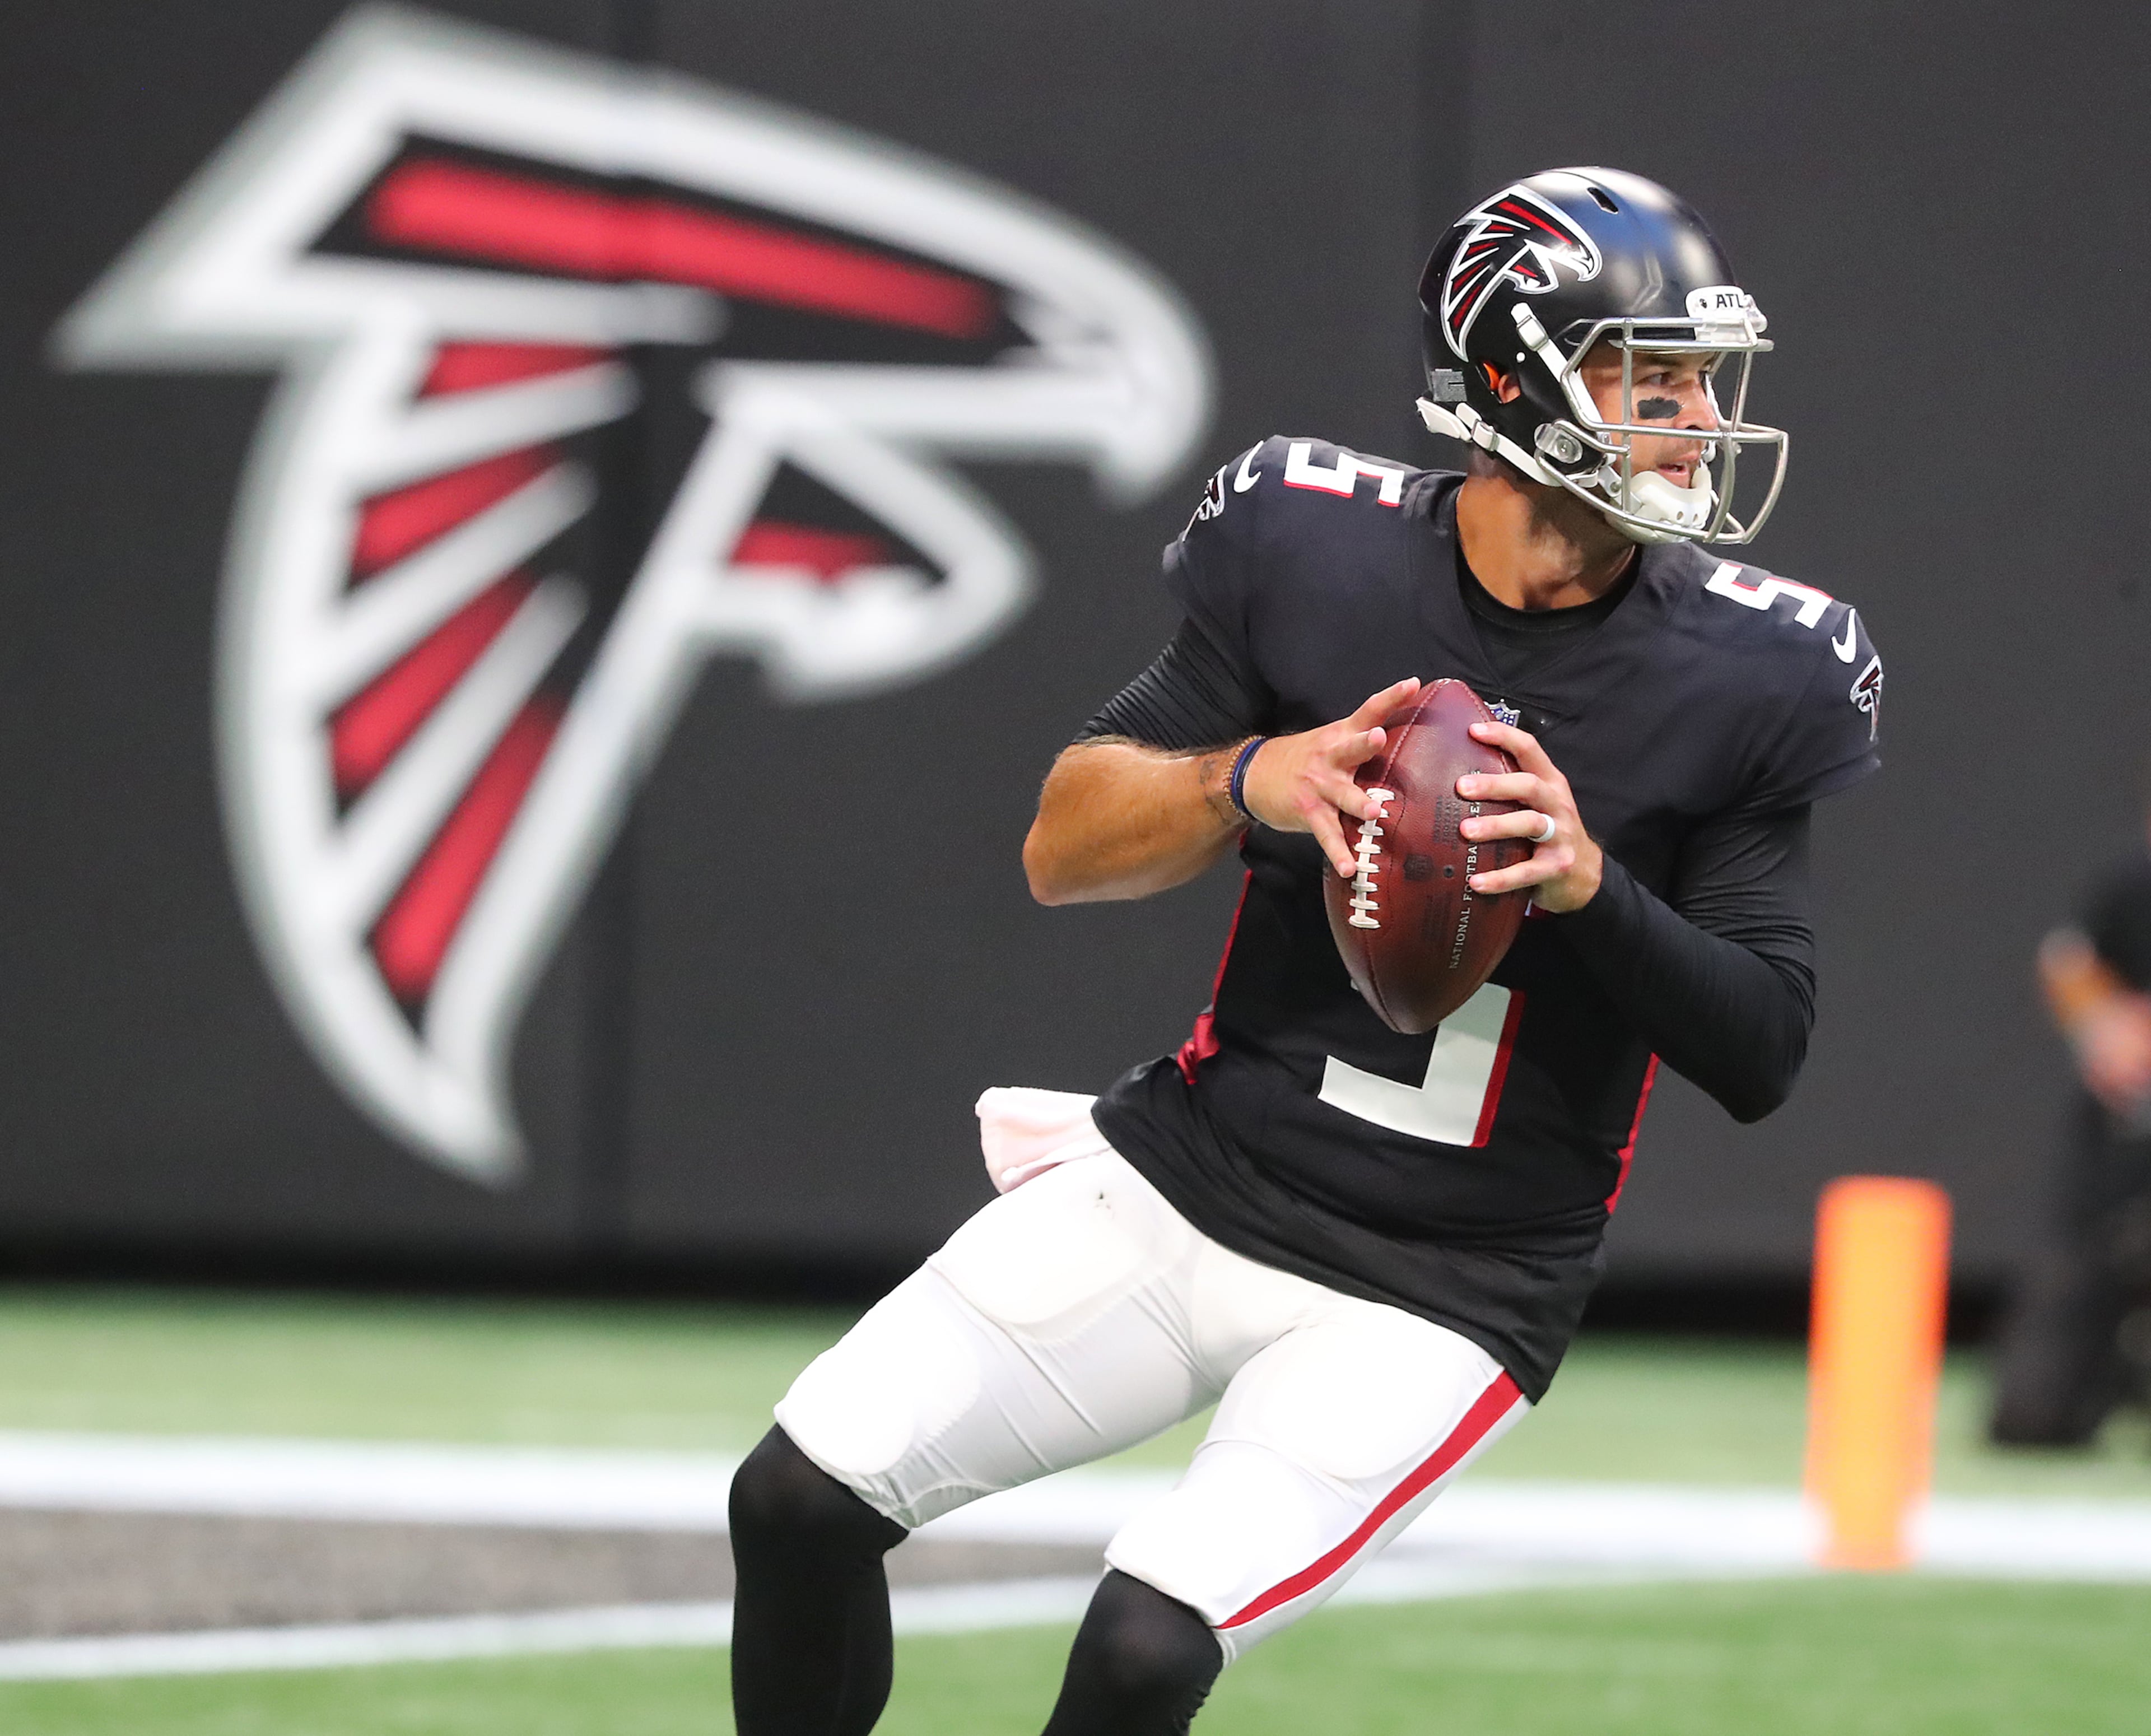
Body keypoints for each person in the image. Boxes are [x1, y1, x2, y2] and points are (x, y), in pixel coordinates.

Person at [727, 166, 1882, 1736]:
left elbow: (1765, 1049)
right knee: (797, 1497)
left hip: (1444, 1284)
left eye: (1699, 377)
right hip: (1198, 1168)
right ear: (1510, 378)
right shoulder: (1312, 545)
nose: (1695, 416)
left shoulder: (1752, 668)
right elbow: (1061, 848)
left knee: (1141, 1651)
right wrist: (1245, 778)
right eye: (1649, 374)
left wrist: (1591, 887)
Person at [1989, 806, 2151, 1445]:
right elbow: (2069, 961)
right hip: (2127, 1123)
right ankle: (2056, 1401)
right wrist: (2105, 1029)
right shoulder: (2130, 886)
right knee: (2085, 1257)